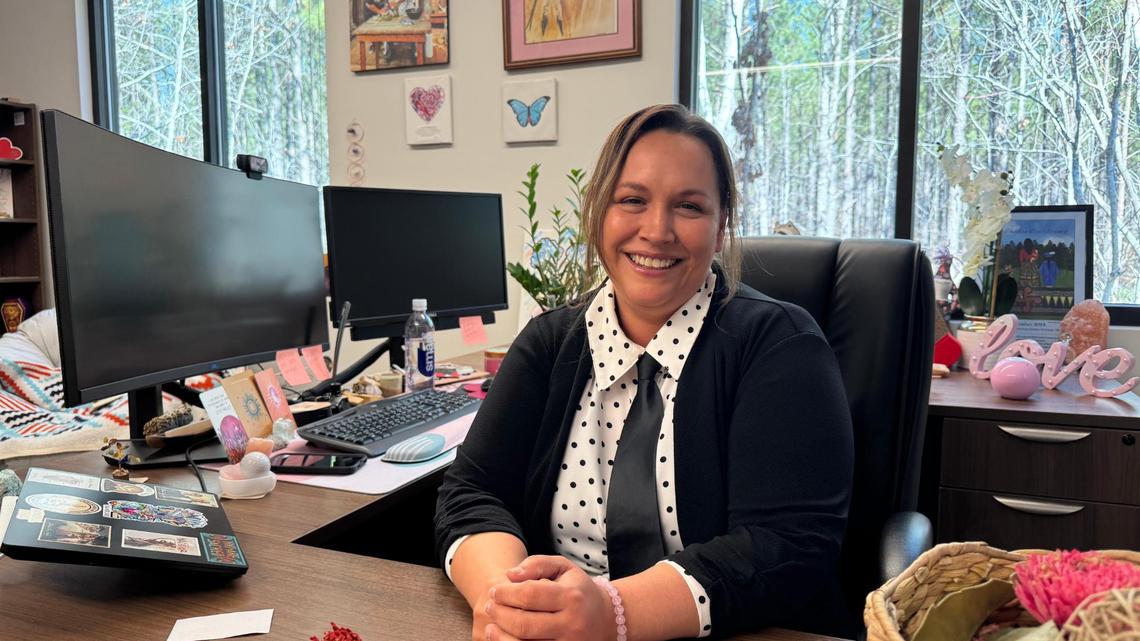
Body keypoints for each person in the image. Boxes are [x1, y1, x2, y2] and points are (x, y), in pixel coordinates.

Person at [434, 104, 854, 641]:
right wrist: (505, 602)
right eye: (632, 200)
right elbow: (471, 492)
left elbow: (787, 545)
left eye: (689, 206)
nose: (656, 231)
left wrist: (612, 612)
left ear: (722, 224)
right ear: (598, 213)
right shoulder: (549, 343)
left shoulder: (778, 345)